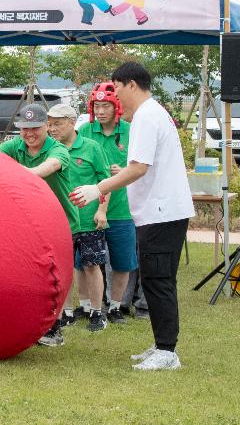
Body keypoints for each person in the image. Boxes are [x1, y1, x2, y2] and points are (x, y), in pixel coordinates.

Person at [71, 61, 194, 371]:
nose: (115, 99)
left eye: (117, 89)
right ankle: (161, 345)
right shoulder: (151, 114)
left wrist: (95, 188)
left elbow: (139, 168)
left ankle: (167, 352)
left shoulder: (146, 118)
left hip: (162, 212)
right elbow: (136, 166)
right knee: (155, 279)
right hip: (160, 212)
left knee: (159, 280)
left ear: (131, 85)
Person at [0, 103, 78, 347]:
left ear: (46, 127)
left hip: (61, 222)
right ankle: (28, 324)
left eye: (35, 128)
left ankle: (55, 328)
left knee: (56, 277)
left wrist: (22, 172)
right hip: (29, 223)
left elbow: (47, 168)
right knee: (28, 275)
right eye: (24, 129)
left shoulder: (59, 150)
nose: (29, 134)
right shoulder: (16, 145)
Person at [79, 81, 141, 324]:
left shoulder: (130, 131)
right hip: (89, 209)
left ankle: (115, 306)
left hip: (123, 209)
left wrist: (125, 170)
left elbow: (142, 164)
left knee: (122, 261)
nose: (101, 111)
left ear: (117, 107)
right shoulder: (84, 131)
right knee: (86, 261)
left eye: (106, 106)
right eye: (97, 106)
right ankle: (88, 306)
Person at [47, 104, 112, 332]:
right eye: (50, 124)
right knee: (63, 268)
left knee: (92, 265)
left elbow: (106, 182)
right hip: (60, 221)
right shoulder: (50, 149)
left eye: (57, 124)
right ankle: (66, 312)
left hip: (88, 219)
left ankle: (96, 312)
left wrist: (101, 211)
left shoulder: (91, 148)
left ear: (72, 122)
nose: (52, 129)